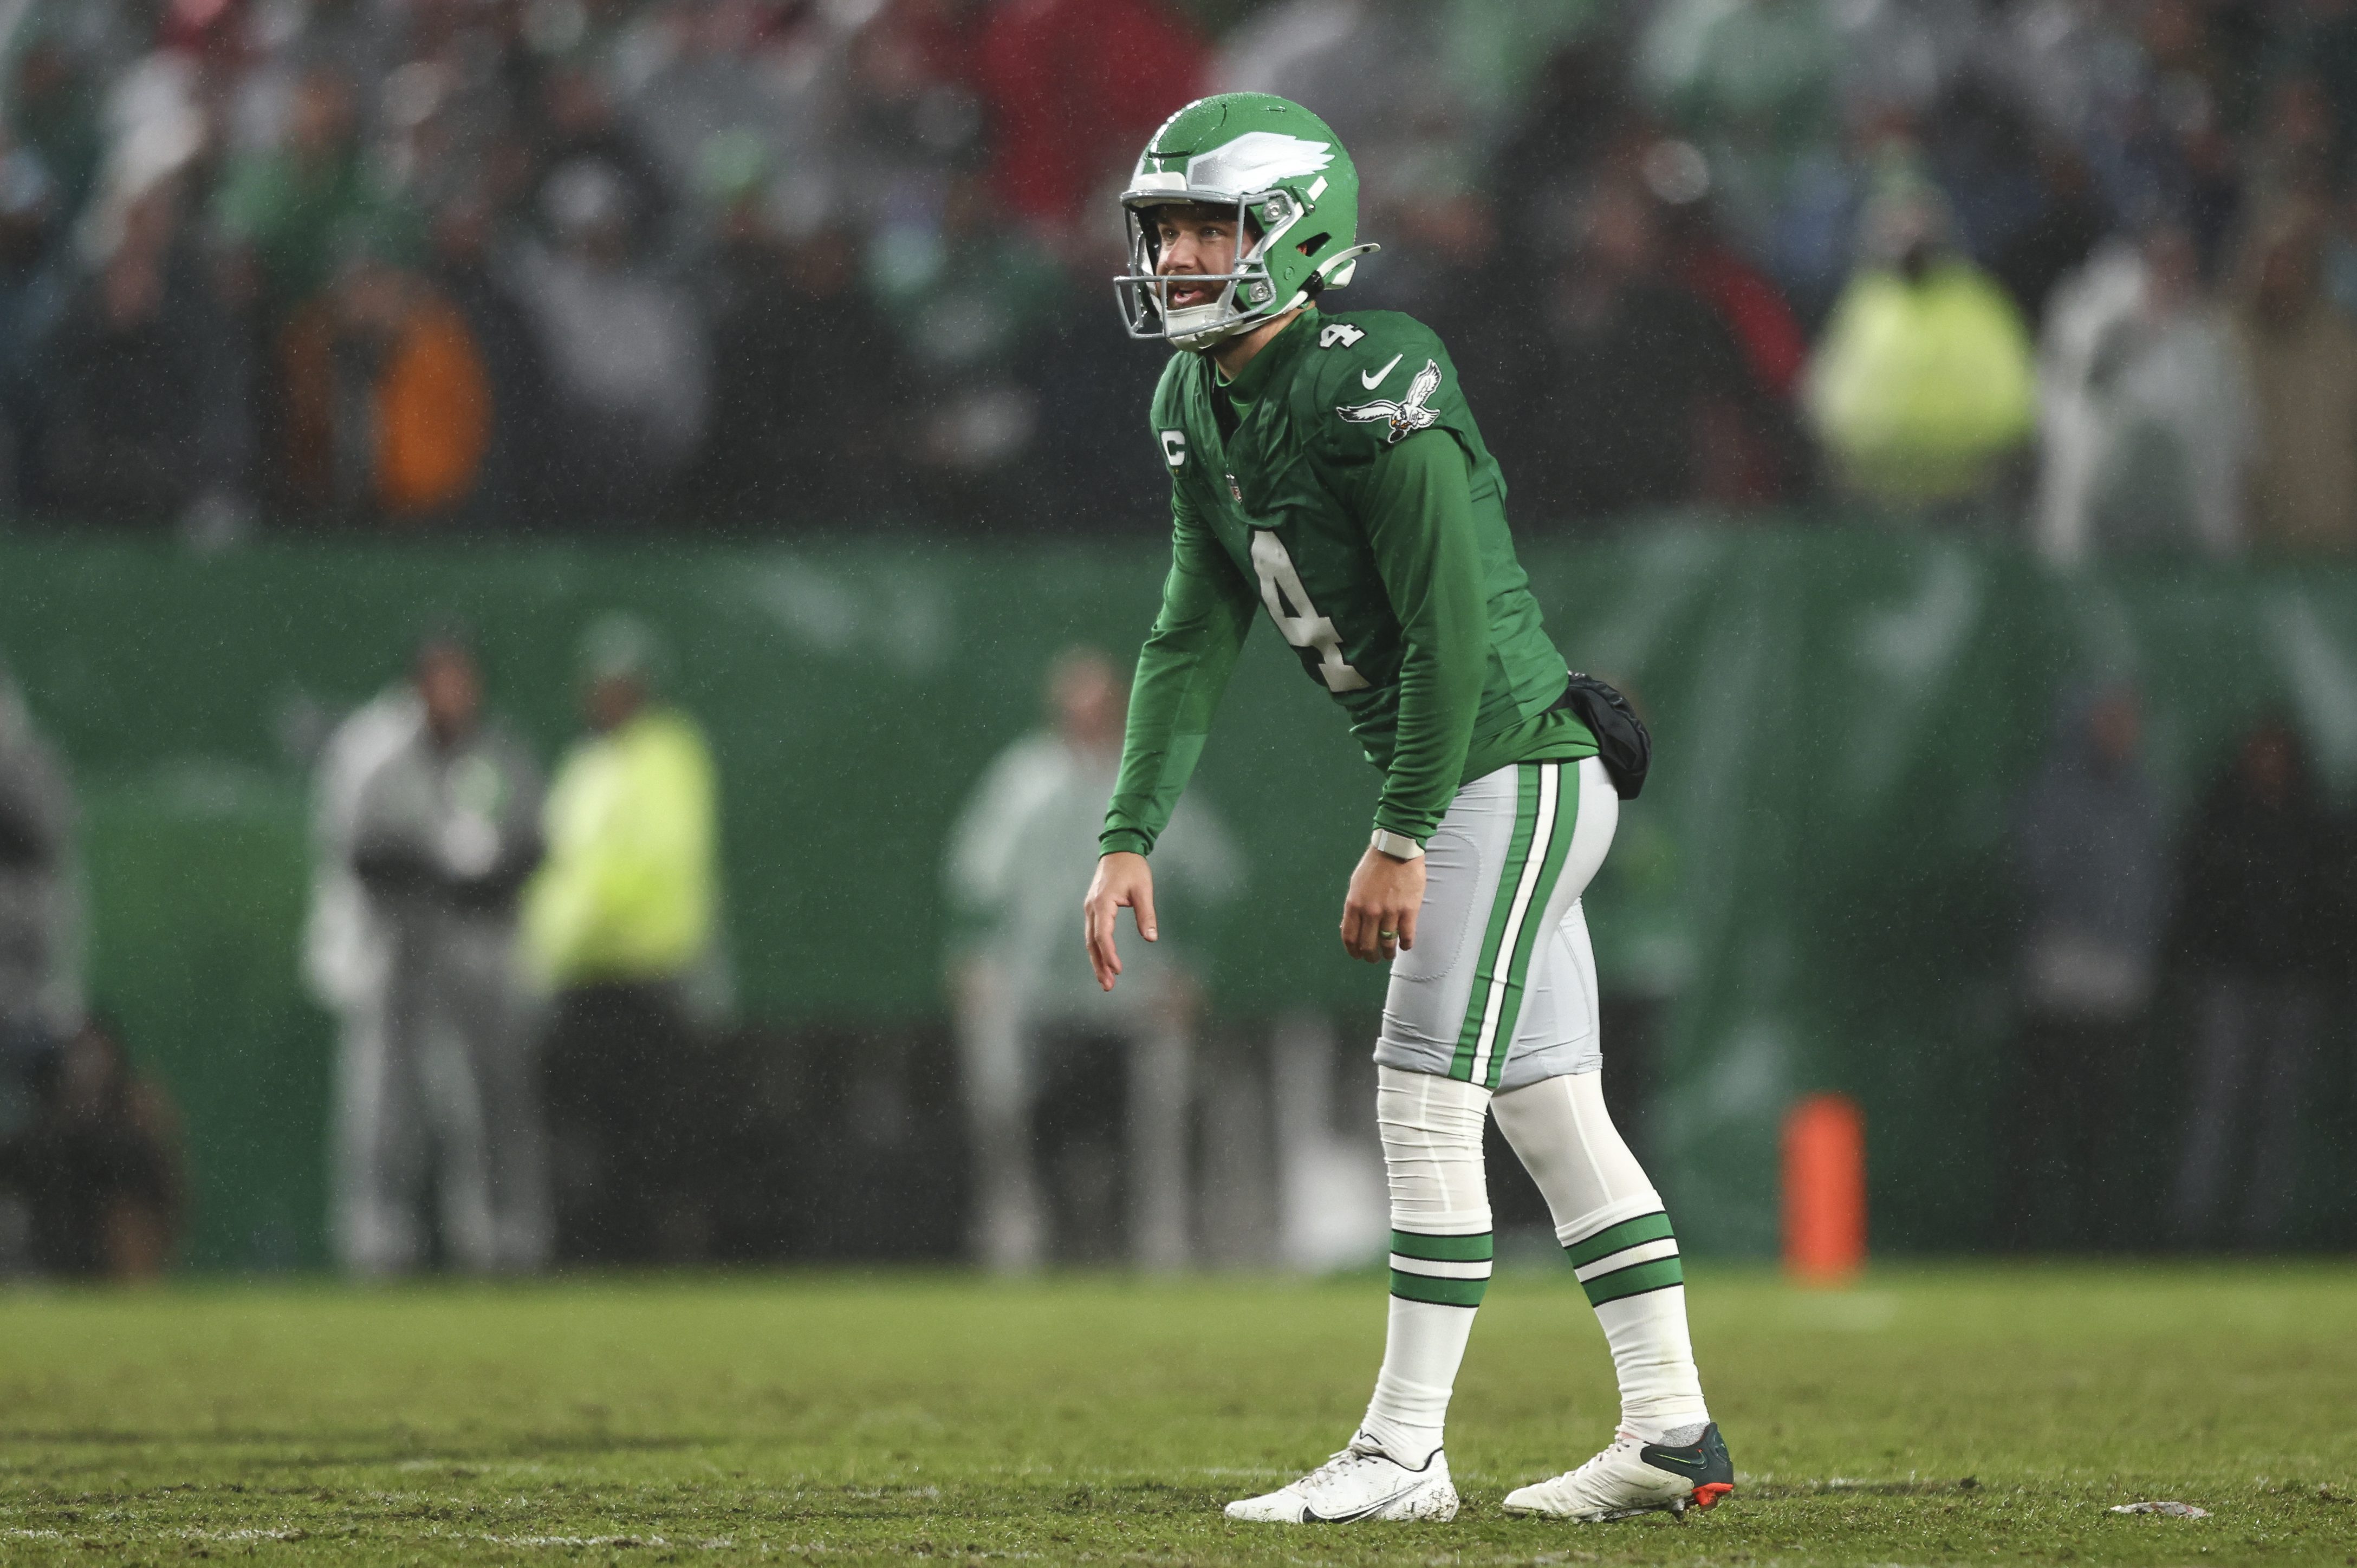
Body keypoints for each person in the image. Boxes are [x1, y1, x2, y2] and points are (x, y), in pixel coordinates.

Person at [1086, 94, 1729, 1525]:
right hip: (1477, 777)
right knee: (1548, 1110)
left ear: (1292, 231)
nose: (1177, 256)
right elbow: (1191, 628)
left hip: (1507, 765)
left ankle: (1401, 1451)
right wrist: (1127, 830)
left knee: (1420, 1092)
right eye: (1165, 229)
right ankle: (1669, 1426)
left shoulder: (1373, 373)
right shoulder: (1192, 400)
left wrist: (1397, 832)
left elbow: (1447, 634)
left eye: (1208, 228)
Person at [944, 647, 1238, 1271]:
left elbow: (1210, 876)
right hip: (1037, 992)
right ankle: (1020, 1243)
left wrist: (1190, 969)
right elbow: (976, 879)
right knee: (1012, 1113)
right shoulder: (1022, 780)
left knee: (1154, 1123)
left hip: (1134, 991)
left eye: (1099, 704)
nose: (1086, 717)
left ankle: (1157, 1246)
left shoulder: (1150, 778)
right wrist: (977, 961)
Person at [340, 635, 547, 1274]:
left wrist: (486, 877)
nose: (451, 693)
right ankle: (380, 1237)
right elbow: (360, 851)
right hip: (404, 946)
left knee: (495, 1097)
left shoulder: (500, 755)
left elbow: (534, 843)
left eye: (461, 679)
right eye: (439, 679)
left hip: (481, 946)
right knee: (388, 1100)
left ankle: (503, 1236)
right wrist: (432, 867)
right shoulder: (383, 758)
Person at [523, 616, 720, 1264]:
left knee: (654, 1134)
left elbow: (655, 858)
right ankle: (598, 1258)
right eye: (603, 685)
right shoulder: (586, 763)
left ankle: (661, 1261)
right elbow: (558, 864)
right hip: (582, 977)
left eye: (624, 686)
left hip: (648, 973)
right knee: (589, 1136)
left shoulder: (667, 753)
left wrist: (589, 915)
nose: (611, 697)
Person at [2003, 684, 2168, 1250]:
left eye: (2127, 720)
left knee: (2104, 1117)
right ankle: (2020, 1237)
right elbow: (2037, 869)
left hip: (2121, 977)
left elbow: (2153, 879)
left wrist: (2134, 943)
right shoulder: (2056, 789)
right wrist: (2088, 921)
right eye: (2109, 718)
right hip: (2065, 966)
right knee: (2040, 1112)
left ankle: (2095, 1237)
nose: (2122, 731)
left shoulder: (2140, 792)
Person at [2165, 718, 2333, 1247]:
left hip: (2292, 985)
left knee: (2276, 1112)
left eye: (2277, 753)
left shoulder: (2312, 822)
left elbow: (2328, 903)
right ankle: (2191, 1228)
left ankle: (2262, 1232)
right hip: (2228, 980)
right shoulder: (2220, 816)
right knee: (2214, 1104)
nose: (2268, 764)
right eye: (2260, 753)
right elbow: (2196, 897)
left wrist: (2317, 967)